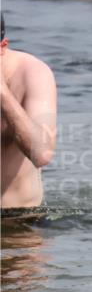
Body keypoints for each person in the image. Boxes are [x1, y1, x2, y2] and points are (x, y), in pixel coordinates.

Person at [1, 14, 58, 212]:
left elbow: (42, 154)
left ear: (2, 47)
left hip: (18, 219)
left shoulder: (32, 73)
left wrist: (2, 93)